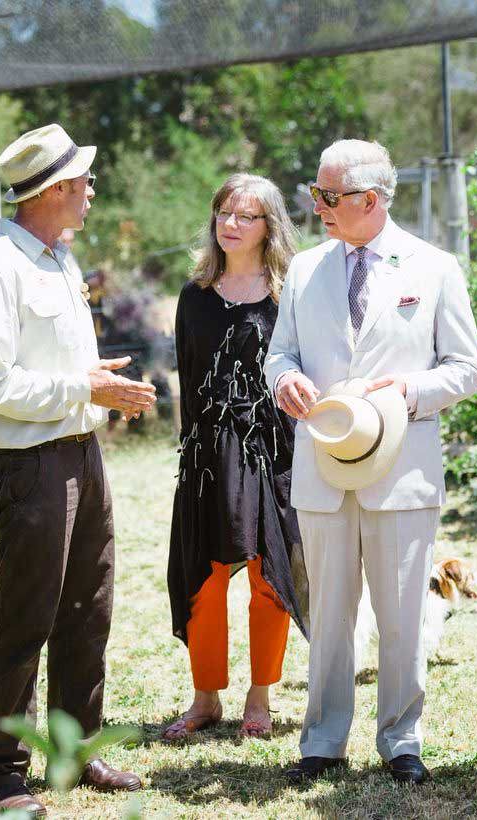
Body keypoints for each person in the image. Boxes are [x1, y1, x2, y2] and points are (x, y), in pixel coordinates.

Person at [265, 139, 477, 785]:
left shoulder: (435, 267)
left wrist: (408, 394)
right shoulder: (305, 269)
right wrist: (284, 383)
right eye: (315, 192)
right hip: (325, 467)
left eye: (329, 196)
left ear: (371, 199)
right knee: (329, 615)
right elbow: (280, 354)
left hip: (402, 468)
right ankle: (324, 741)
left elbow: (468, 369)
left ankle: (402, 740)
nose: (318, 206)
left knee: (402, 616)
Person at [0, 124, 156, 815]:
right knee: (25, 614)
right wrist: (86, 388)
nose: (92, 193)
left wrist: (94, 385)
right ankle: (1, 771)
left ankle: (75, 750)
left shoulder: (57, 261)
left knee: (87, 606)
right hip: (30, 463)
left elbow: (56, 369)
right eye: (84, 183)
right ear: (56, 191)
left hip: (79, 452)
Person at [163, 173, 308, 741]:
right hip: (206, 456)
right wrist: (191, 452)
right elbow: (187, 374)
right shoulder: (193, 296)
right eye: (223, 212)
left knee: (270, 577)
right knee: (206, 576)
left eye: (245, 216)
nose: (230, 224)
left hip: (274, 450)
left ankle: (260, 698)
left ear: (268, 226)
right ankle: (205, 699)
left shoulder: (289, 292)